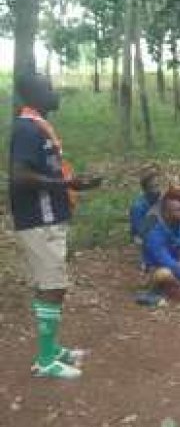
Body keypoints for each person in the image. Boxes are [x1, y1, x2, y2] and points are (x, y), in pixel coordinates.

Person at [10, 73, 103, 379]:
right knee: (53, 286)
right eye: (48, 87)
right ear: (31, 94)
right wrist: (65, 182)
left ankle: (52, 348)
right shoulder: (26, 129)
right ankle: (46, 360)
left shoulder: (39, 127)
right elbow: (19, 176)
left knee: (50, 285)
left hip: (49, 218)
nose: (55, 91)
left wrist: (76, 186)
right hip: (39, 219)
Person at [130, 171, 162, 244]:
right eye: (153, 187)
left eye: (158, 185)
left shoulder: (160, 199)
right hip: (144, 235)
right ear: (146, 189)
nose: (157, 189)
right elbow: (140, 230)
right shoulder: (138, 206)